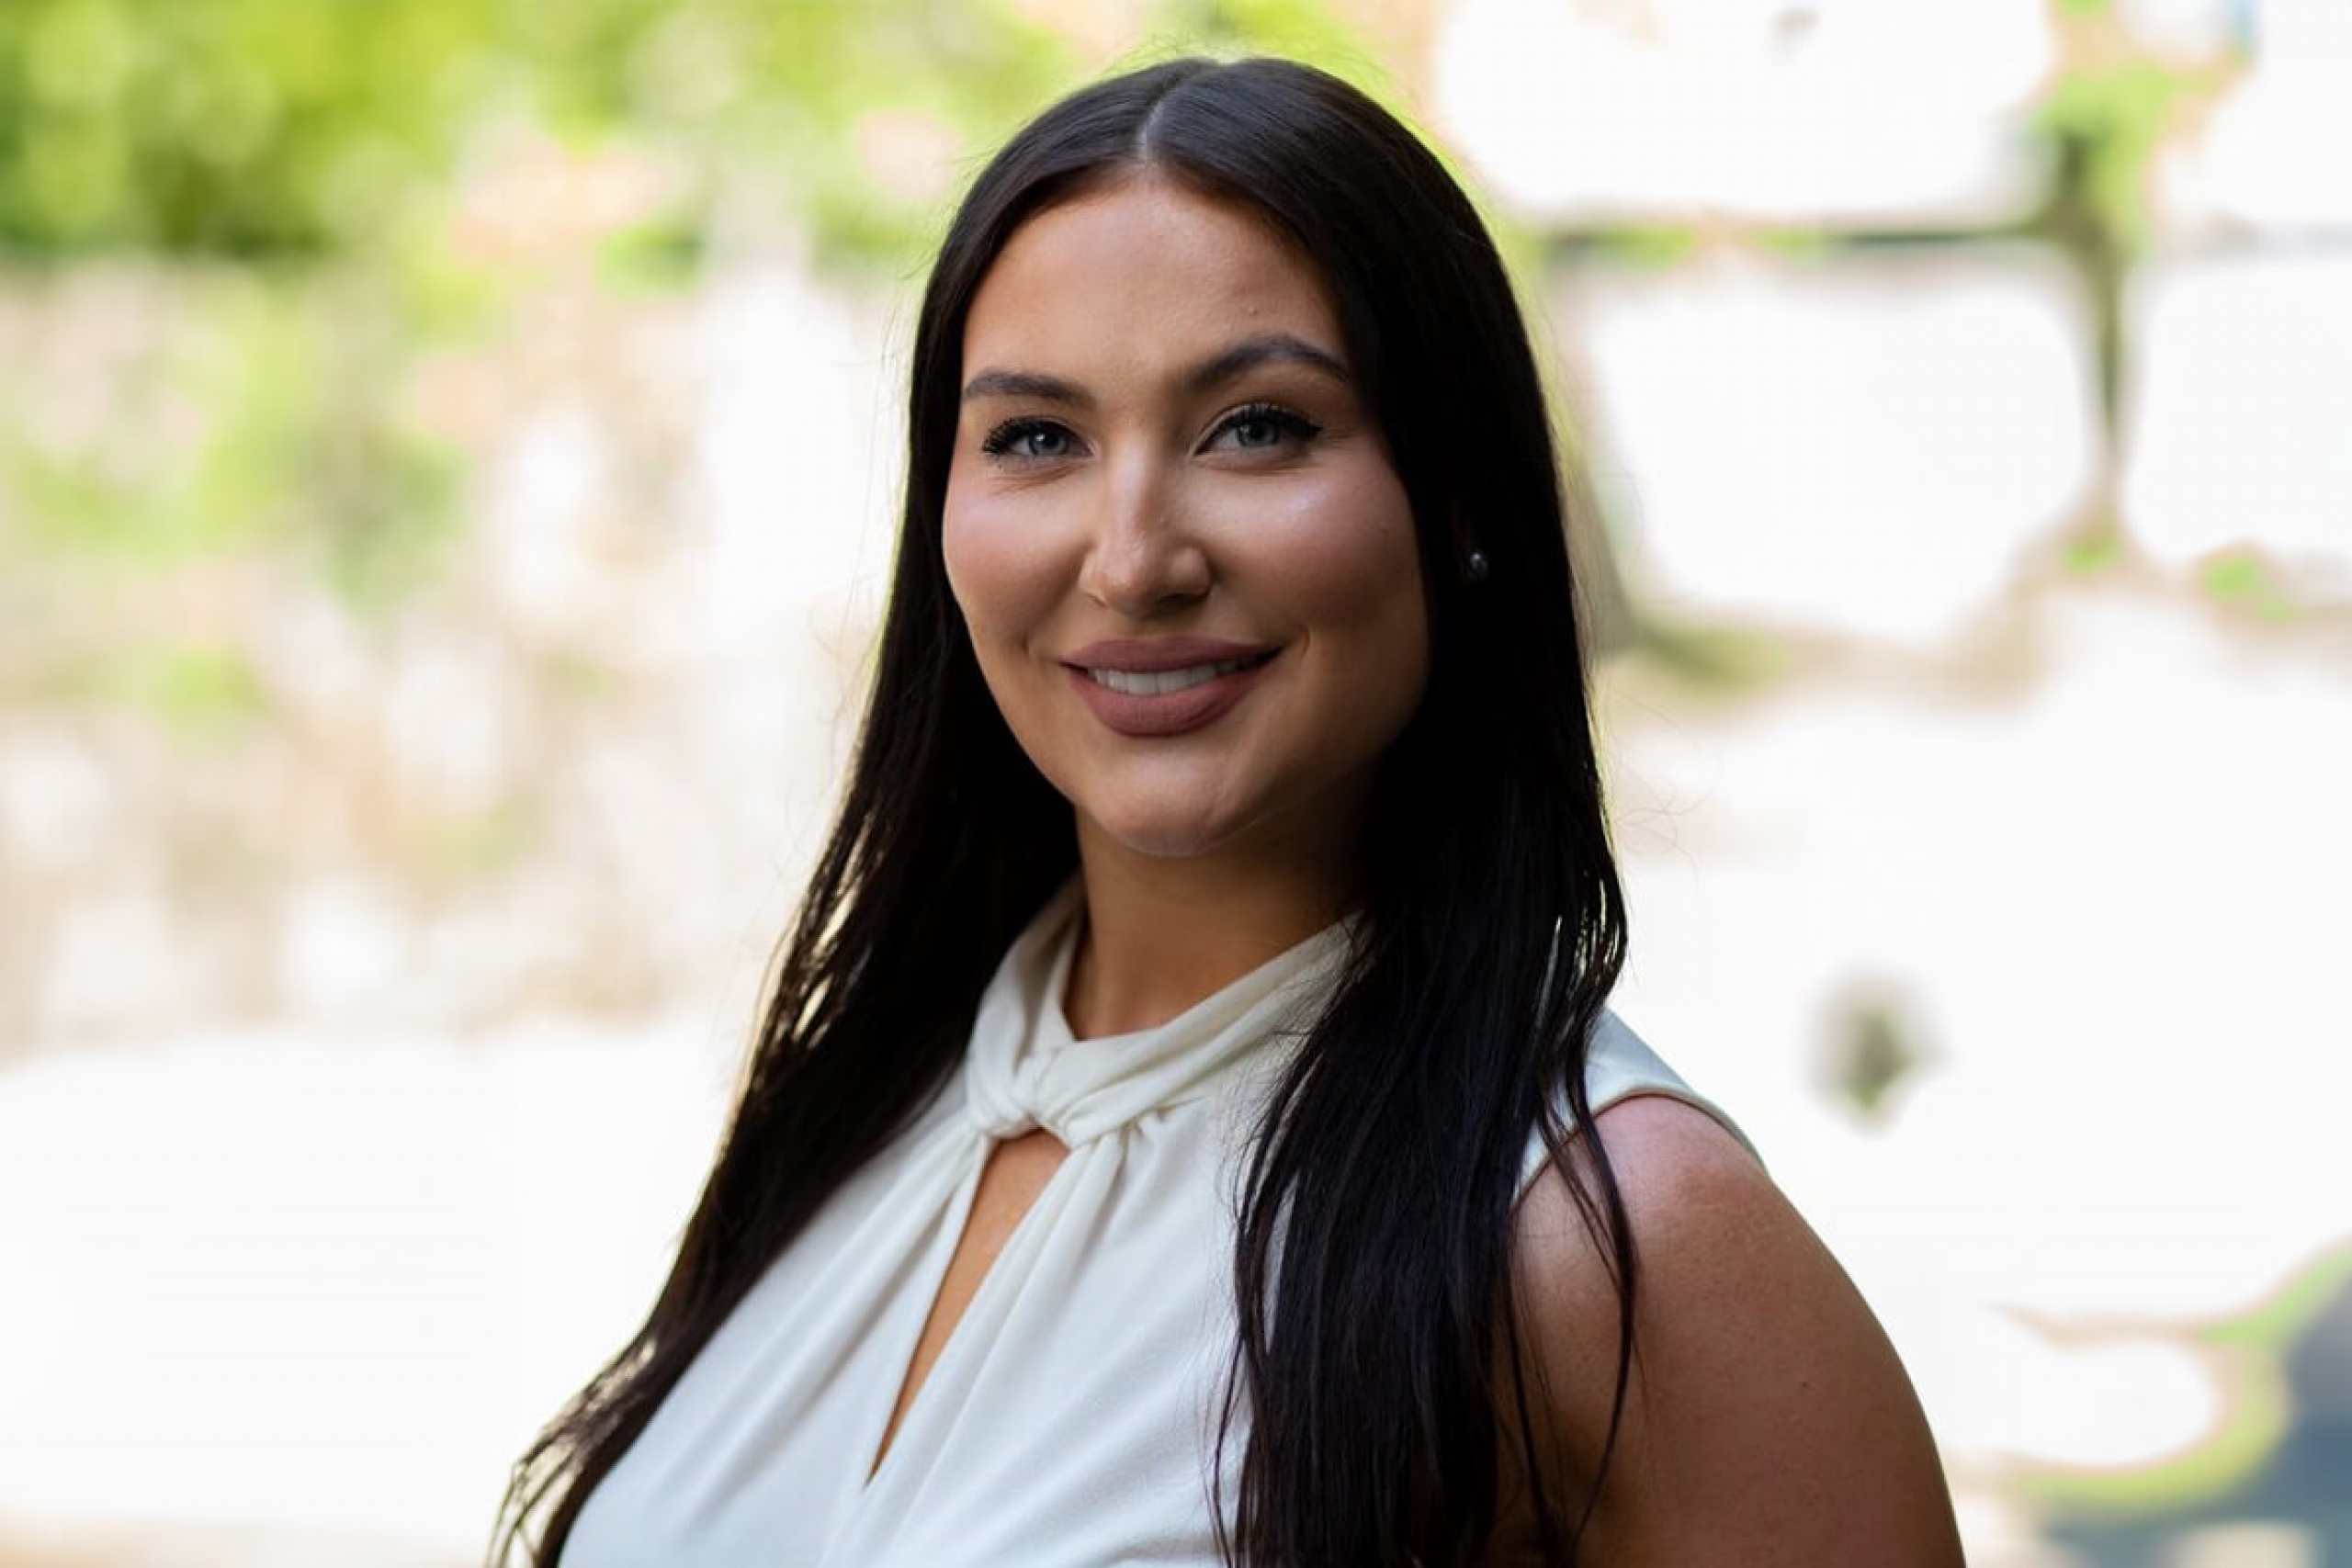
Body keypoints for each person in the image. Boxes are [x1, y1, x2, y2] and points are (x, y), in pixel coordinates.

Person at [493, 55, 1962, 1567]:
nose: (1131, 559)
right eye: (1037, 438)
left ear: (1456, 499)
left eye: (1256, 426)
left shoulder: (1612, 1233)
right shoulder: (875, 1092)